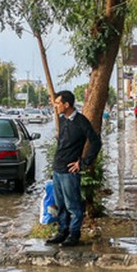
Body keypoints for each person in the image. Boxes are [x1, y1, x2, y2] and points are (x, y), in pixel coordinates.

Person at [45, 90, 102, 247]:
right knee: (60, 205)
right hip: (57, 169)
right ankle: (62, 231)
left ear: (66, 104)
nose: (55, 106)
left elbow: (96, 142)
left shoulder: (81, 121)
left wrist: (82, 163)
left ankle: (74, 234)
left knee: (73, 206)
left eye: (58, 103)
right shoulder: (63, 120)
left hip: (70, 173)